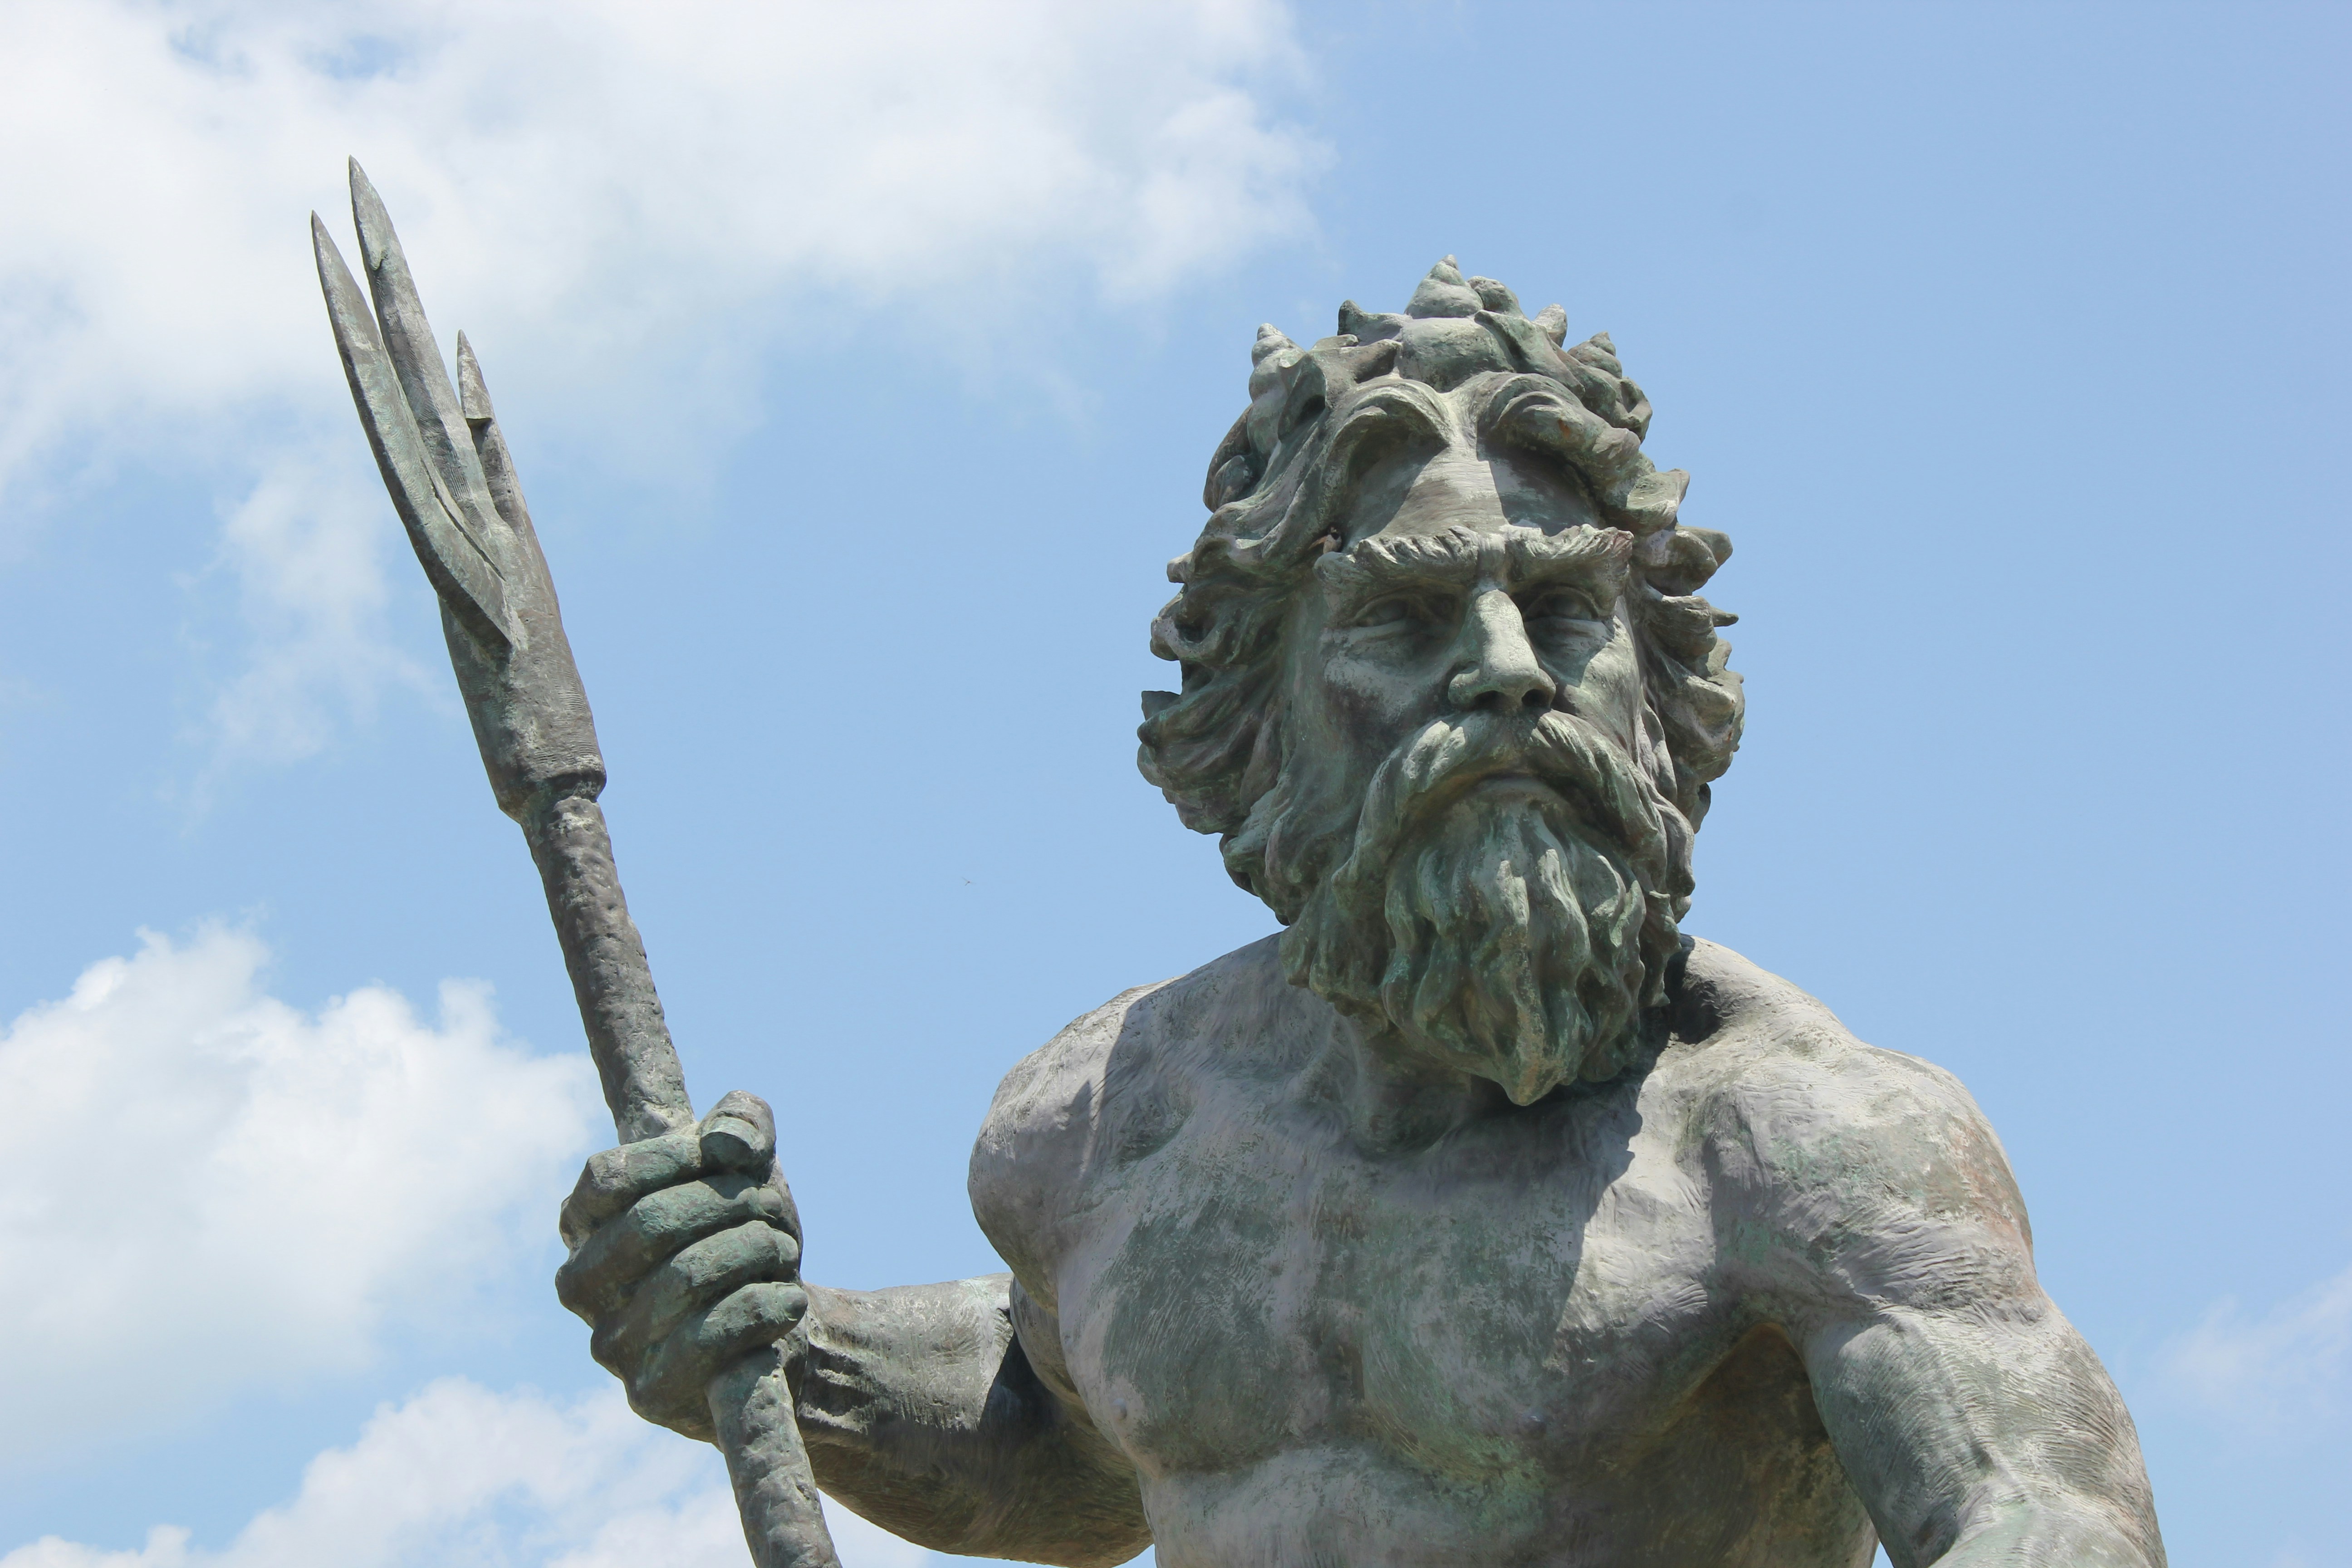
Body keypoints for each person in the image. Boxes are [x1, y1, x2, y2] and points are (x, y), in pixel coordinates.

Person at [554, 260, 2166, 1568]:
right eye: (1404, 614)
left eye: (1560, 608)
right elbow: (1070, 1449)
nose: (1513, 673)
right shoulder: (1104, 1125)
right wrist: (772, 1344)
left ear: (1663, 686)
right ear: (1258, 710)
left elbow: (2041, 1514)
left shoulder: (1798, 1141)